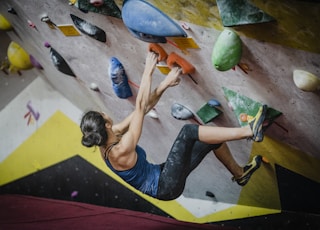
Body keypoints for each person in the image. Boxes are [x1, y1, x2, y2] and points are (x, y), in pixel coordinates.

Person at [80, 51, 267, 201]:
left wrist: (165, 84)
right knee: (189, 132)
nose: (105, 112)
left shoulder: (110, 134)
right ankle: (250, 131)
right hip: (165, 186)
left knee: (210, 140)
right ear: (105, 123)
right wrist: (148, 70)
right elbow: (139, 106)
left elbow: (144, 108)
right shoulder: (120, 150)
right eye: (102, 114)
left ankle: (240, 174)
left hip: (162, 174)